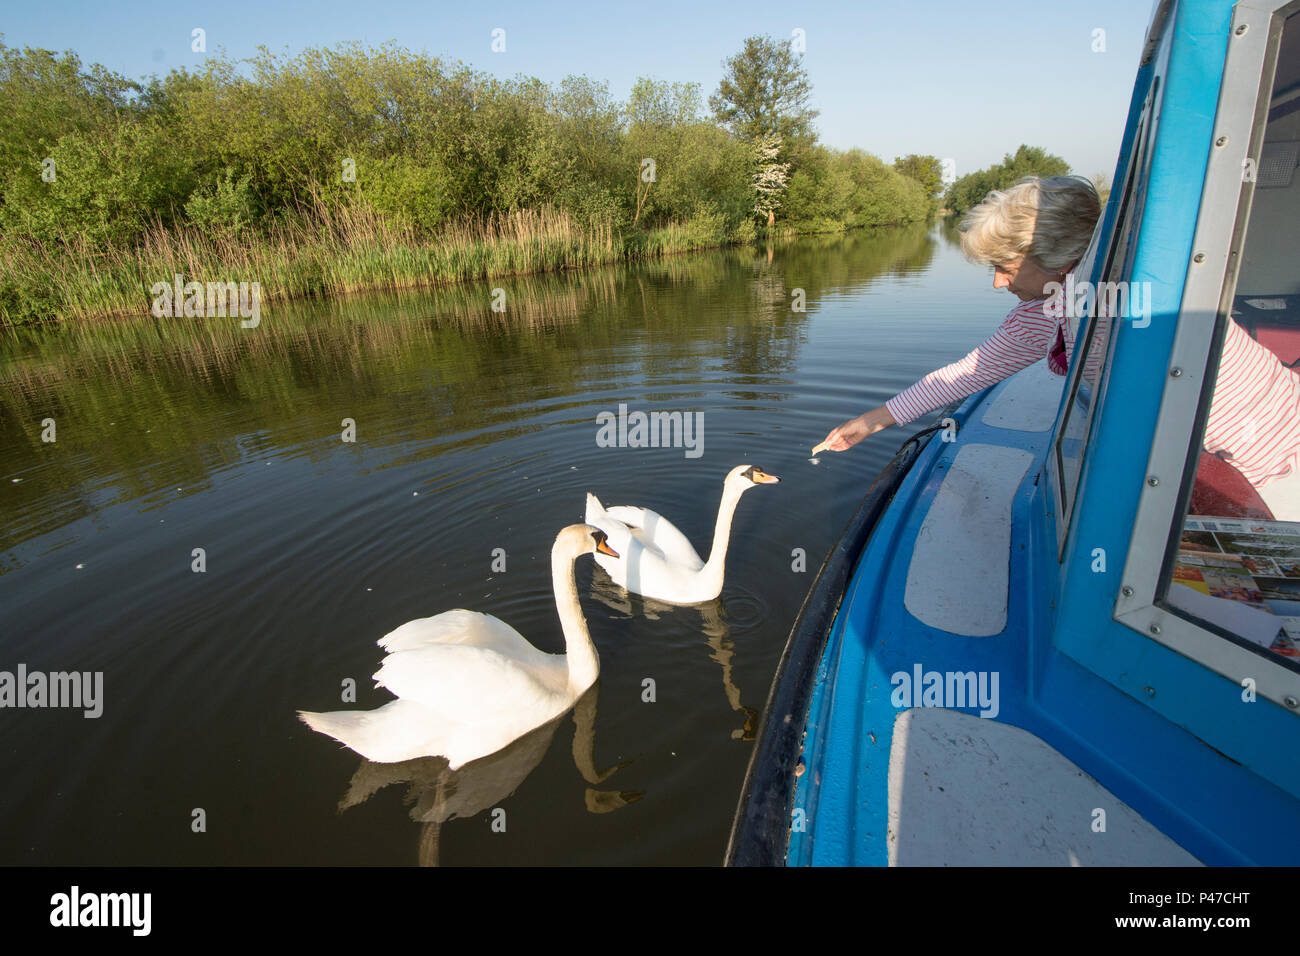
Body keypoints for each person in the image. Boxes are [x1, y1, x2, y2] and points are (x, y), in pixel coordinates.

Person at [818, 175, 1300, 519]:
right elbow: (970, 371)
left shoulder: (1131, 298)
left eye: (1005, 265)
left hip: (1277, 459)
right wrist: (872, 421)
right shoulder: (1043, 310)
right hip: (1216, 458)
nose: (997, 282)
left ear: (1060, 256)